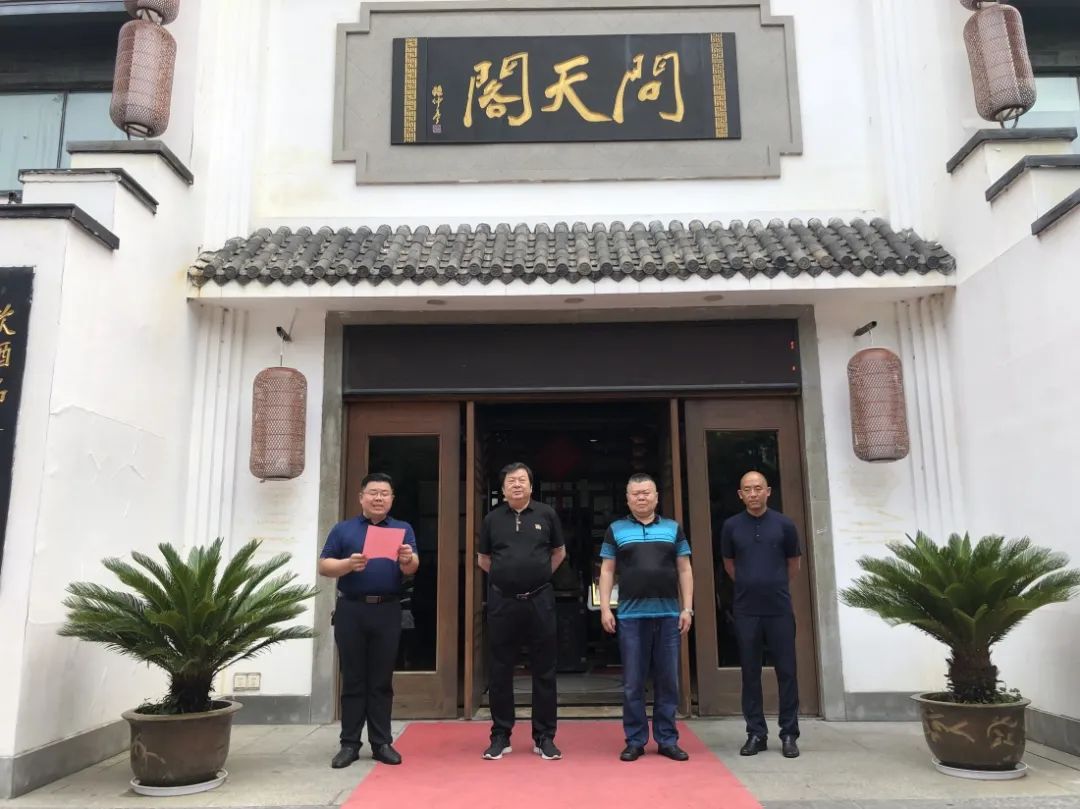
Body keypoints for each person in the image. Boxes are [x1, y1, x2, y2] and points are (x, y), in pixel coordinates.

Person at [318, 472, 419, 768]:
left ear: (392, 499)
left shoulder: (402, 529)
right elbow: (324, 566)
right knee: (353, 678)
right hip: (351, 609)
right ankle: (349, 744)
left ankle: (381, 742)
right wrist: (348, 564)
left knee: (381, 680)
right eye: (373, 492)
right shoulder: (343, 529)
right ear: (361, 497)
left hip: (387, 610)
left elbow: (413, 567)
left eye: (384, 493)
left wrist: (407, 559)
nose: (378, 498)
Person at [598, 473, 694, 762]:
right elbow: (607, 570)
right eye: (636, 493)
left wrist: (687, 608)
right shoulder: (616, 529)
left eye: (646, 492)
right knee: (633, 681)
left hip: (668, 615)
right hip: (631, 615)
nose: (641, 497)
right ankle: (635, 740)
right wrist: (605, 608)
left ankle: (667, 739)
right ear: (627, 499)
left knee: (668, 680)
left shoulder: (672, 528)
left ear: (656, 497)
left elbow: (685, 569)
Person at [477, 462, 566, 761]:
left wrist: (538, 576)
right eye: (511, 481)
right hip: (503, 601)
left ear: (531, 485)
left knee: (545, 669)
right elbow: (483, 559)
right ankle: (500, 735)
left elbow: (559, 553)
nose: (517, 485)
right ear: (503, 489)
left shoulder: (546, 514)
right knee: (500, 669)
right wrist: (507, 579)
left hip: (540, 600)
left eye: (522, 480)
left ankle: (544, 736)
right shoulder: (492, 519)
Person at [720, 470, 802, 759]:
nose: (753, 493)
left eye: (758, 488)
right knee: (750, 672)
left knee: (787, 671)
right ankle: (756, 733)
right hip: (746, 610)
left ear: (768, 491)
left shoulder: (785, 525)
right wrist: (750, 584)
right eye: (747, 489)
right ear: (740, 495)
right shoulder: (731, 526)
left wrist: (772, 584)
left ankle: (789, 733)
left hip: (779, 609)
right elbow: (729, 564)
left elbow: (794, 563)